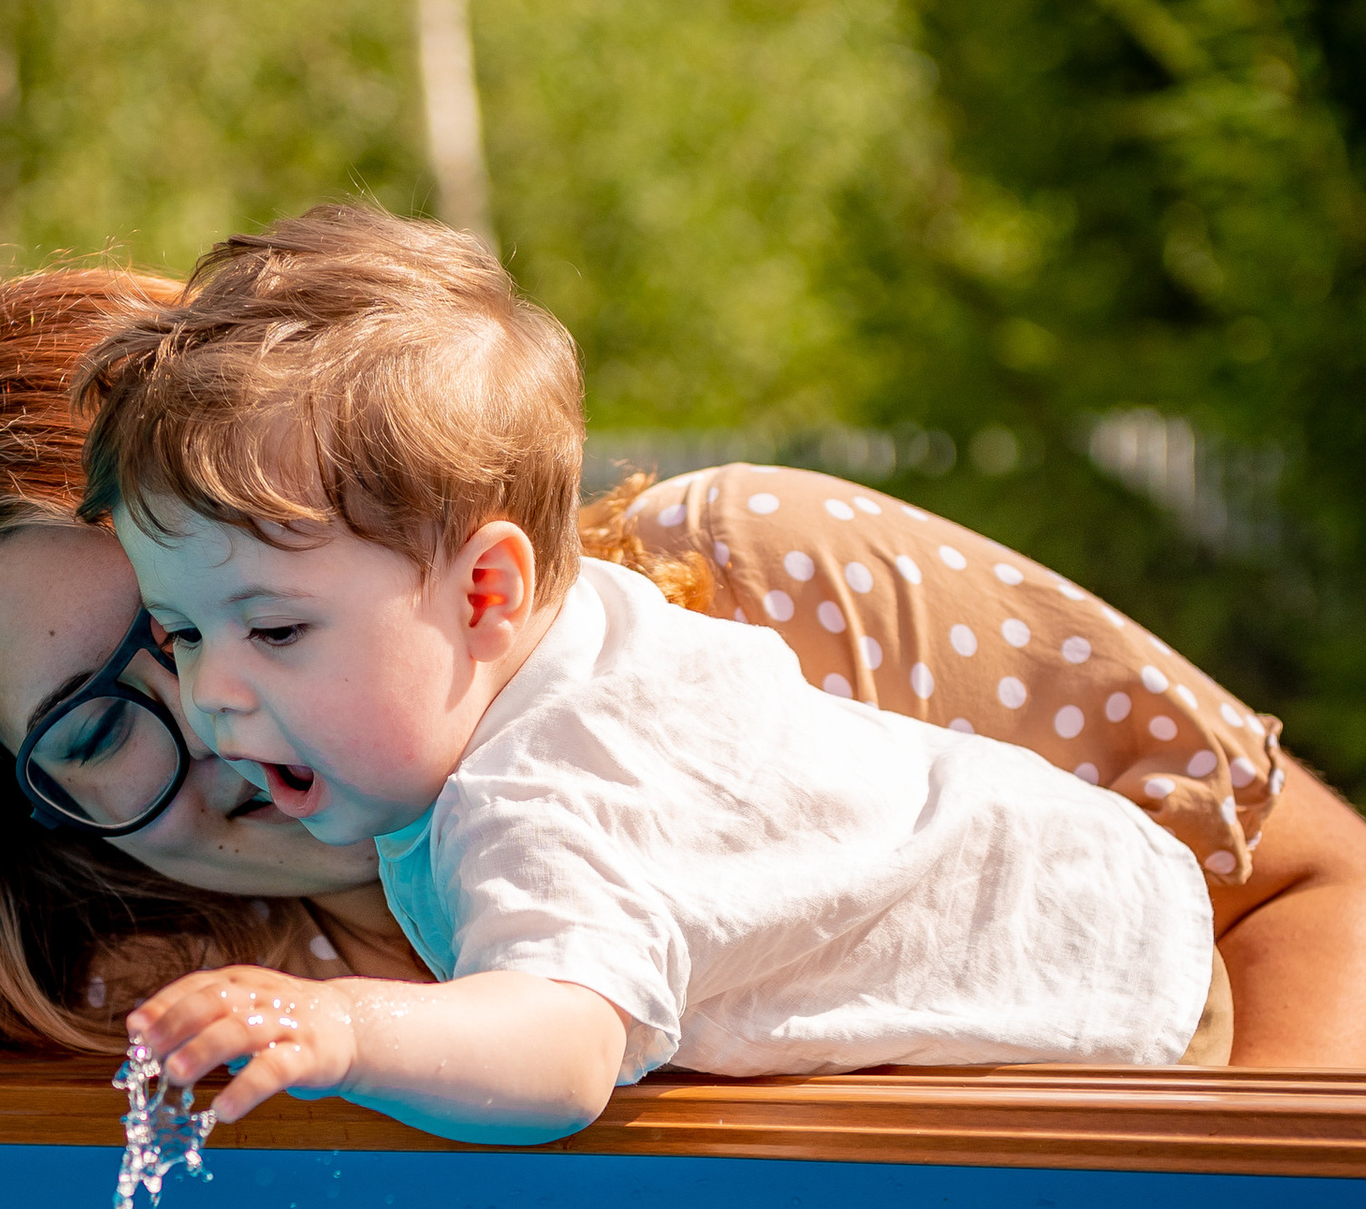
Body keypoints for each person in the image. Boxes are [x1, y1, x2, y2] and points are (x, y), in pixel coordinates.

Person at [0, 261, 1366, 1076]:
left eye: (265, 618)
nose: (221, 712)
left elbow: (1324, 890)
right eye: (115, 706)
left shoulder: (760, 592)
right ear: (22, 799)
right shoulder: (153, 1008)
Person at [82, 211, 1234, 1142]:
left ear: (487, 593)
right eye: (182, 635)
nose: (211, 695)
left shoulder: (544, 789)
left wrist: (342, 1030)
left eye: (275, 633)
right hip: (1102, 914)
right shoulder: (578, 639)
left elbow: (557, 1058)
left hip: (1113, 1020)